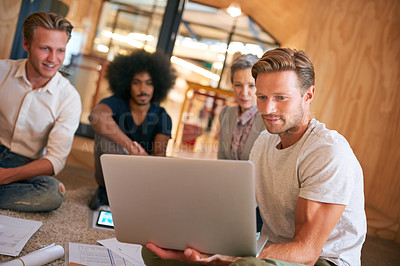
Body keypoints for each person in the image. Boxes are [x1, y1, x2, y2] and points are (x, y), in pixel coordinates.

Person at [142, 48, 366, 266]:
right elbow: (235, 210)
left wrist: (227, 257)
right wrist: (196, 237)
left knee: (247, 265)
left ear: (308, 95)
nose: (268, 109)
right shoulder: (264, 141)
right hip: (267, 250)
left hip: (321, 260)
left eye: (280, 98)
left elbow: (306, 252)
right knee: (159, 250)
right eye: (262, 97)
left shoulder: (328, 152)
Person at [0, 12, 81, 212]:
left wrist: (5, 176)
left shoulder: (69, 98)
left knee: (53, 192)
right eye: (45, 48)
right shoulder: (2, 72)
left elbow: (54, 160)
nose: (53, 59)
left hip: (25, 165)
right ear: (26, 44)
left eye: (60, 50)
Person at [88, 49, 176, 210]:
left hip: (142, 175)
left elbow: (158, 159)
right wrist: (131, 148)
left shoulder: (162, 116)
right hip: (110, 176)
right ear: (127, 83)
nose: (143, 89)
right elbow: (96, 116)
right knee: (104, 137)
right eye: (137, 82)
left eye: (149, 83)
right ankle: (106, 192)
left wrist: (141, 159)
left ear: (157, 85)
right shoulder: (117, 102)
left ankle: (132, 196)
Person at [218, 54, 265, 232]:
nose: (244, 93)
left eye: (251, 86)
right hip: (226, 196)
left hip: (256, 206)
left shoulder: (268, 119)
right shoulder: (226, 114)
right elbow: (222, 160)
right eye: (238, 85)